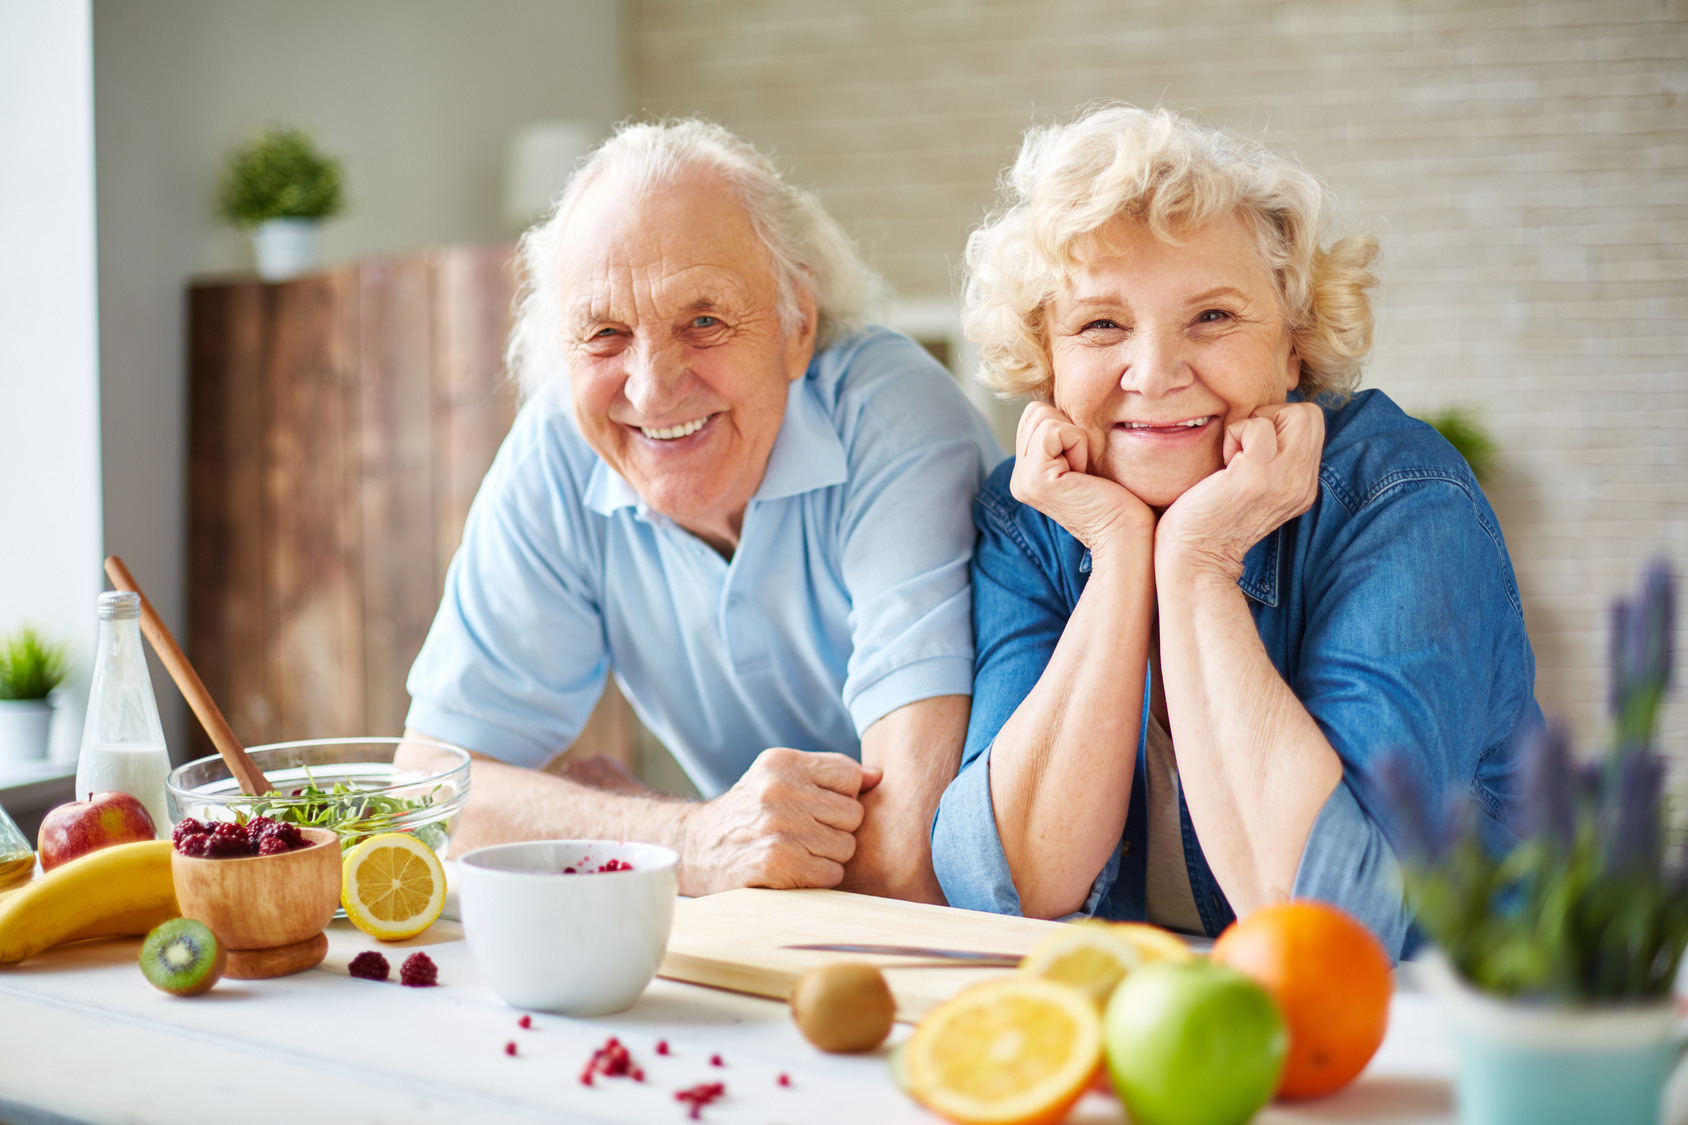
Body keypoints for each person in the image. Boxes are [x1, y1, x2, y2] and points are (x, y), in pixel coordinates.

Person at [930, 105, 1540, 957]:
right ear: (1048, 359)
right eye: (1101, 324)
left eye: (1212, 317)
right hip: (1200, 1043)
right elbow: (1003, 882)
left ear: (1293, 348)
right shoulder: (1035, 512)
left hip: (1463, 1041)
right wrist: (1119, 555)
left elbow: (1337, 917)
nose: (1155, 373)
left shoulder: (1401, 496)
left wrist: (1199, 559)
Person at [396, 119, 999, 903]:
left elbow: (910, 855)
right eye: (606, 334)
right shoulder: (561, 441)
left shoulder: (891, 416)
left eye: (704, 321)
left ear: (796, 326)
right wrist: (689, 837)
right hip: (772, 943)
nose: (651, 389)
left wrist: (641, 823)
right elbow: (428, 797)